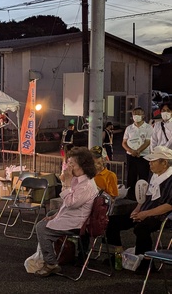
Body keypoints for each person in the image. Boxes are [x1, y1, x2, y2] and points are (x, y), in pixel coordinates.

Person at [106, 146, 172, 274]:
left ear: (164, 162)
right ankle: (119, 254)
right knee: (112, 222)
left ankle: (146, 261)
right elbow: (146, 196)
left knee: (141, 228)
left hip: (162, 216)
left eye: (153, 161)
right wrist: (137, 210)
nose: (149, 163)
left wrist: (145, 214)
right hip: (145, 211)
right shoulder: (153, 175)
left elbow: (169, 205)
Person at [34, 147, 98, 277]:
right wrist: (56, 215)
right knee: (49, 215)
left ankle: (51, 263)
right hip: (72, 216)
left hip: (77, 222)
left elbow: (70, 203)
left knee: (40, 227)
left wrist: (67, 183)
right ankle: (52, 253)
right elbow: (66, 205)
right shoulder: (78, 179)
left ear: (82, 166)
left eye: (71, 164)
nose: (68, 167)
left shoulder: (86, 185)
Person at [122, 107, 153, 200]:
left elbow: (148, 142)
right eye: (134, 114)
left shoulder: (148, 128)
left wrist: (138, 151)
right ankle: (130, 196)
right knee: (131, 176)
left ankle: (142, 197)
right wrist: (132, 151)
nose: (136, 116)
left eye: (139, 114)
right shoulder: (129, 128)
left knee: (143, 176)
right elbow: (124, 142)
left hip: (144, 156)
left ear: (143, 116)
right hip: (131, 156)